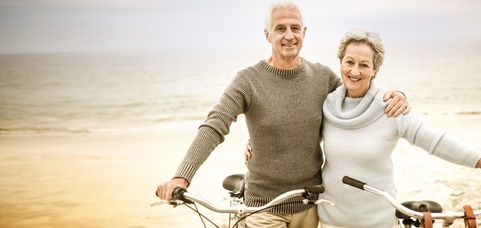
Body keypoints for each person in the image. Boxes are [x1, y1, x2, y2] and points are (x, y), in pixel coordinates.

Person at [155, 1, 411, 228]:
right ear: (267, 35)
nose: (289, 35)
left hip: (309, 204)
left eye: (294, 28)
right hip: (263, 208)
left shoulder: (322, 77)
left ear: (304, 33)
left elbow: (359, 93)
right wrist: (182, 177)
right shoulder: (248, 81)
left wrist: (395, 94)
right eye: (280, 28)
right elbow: (215, 125)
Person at [316, 29, 481, 228]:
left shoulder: (391, 107)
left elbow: (435, 140)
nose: (355, 71)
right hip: (329, 221)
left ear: (375, 70)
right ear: (340, 62)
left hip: (378, 223)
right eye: (349, 62)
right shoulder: (328, 105)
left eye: (364, 65)